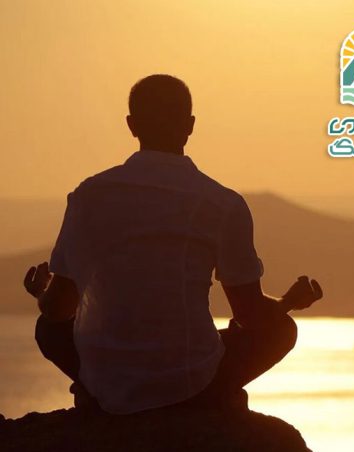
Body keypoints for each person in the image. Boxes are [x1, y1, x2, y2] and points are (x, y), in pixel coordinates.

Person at [22, 74, 323, 414]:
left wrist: (42, 291)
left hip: (106, 378)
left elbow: (57, 309)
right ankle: (209, 401)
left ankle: (101, 394)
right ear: (190, 125)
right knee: (281, 330)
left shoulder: (89, 196)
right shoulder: (222, 204)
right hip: (190, 382)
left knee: (48, 329)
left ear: (132, 125)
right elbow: (250, 315)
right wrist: (288, 301)